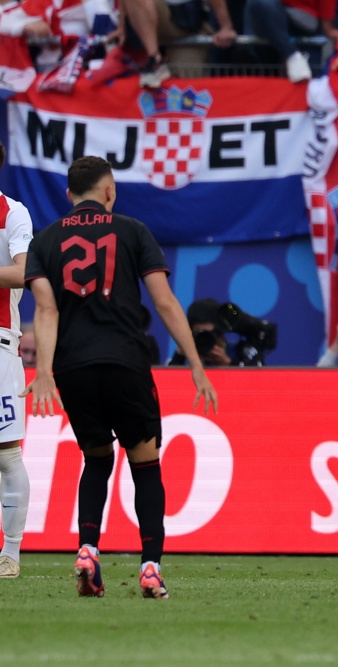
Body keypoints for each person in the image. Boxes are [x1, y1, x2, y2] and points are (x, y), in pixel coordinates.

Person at [22, 155, 218, 599]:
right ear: (109, 191)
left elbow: (46, 310)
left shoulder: (45, 240)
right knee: (145, 465)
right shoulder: (132, 231)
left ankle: (88, 549)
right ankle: (150, 567)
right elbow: (165, 301)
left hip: (73, 368)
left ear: (69, 195)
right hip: (126, 361)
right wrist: (196, 365)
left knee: (96, 460)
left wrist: (45, 373)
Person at [0, 142, 34, 579]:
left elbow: (23, 271)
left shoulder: (12, 213)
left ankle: (10, 553)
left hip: (0, 344)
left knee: (6, 455)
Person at [116, 0, 238, 86]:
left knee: (189, 90)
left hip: (188, 26)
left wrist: (226, 26)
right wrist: (121, 27)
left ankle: (155, 63)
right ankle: (154, 61)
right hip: (146, 25)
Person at [244, 0, 338, 83]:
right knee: (257, 5)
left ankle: (292, 57)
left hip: (301, 17)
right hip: (268, 14)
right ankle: (292, 55)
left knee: (261, 4)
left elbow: (328, 28)